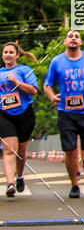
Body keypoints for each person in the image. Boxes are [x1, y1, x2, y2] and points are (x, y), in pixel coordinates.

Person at [43, 28, 84, 199]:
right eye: (70, 37)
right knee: (69, 149)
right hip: (66, 112)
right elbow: (47, 84)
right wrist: (52, 96)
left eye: (77, 36)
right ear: (65, 42)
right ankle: (74, 184)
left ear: (81, 42)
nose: (73, 39)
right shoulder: (57, 61)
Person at [0, 42, 38, 197]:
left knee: (21, 150)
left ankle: (20, 176)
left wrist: (16, 82)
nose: (8, 54)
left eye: (11, 52)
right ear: (2, 55)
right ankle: (10, 184)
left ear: (17, 55)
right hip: (4, 114)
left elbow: (33, 90)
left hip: (24, 114)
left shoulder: (24, 70)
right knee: (9, 149)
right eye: (5, 52)